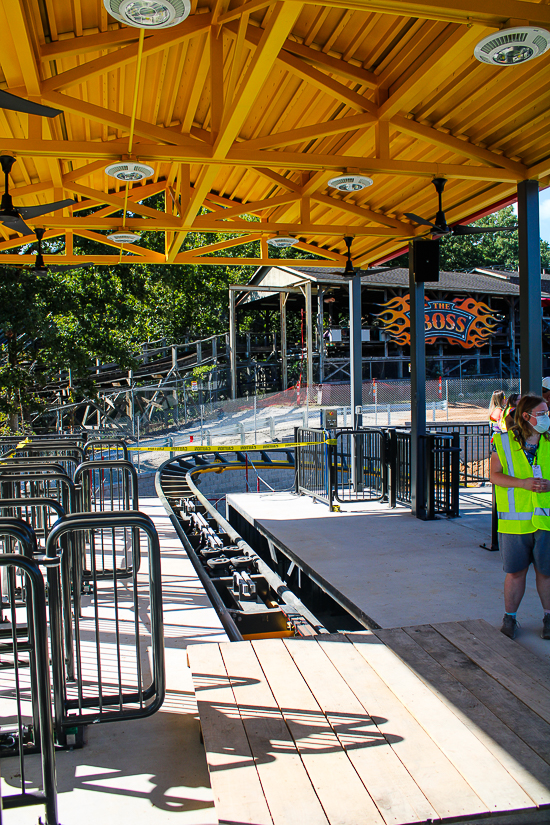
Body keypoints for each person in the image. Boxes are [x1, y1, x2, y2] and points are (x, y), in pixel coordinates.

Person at [490, 394, 550, 640]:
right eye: (542, 413)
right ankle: (510, 619)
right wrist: (523, 483)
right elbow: (495, 476)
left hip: (545, 521)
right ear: (526, 416)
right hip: (514, 523)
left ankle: (548, 617)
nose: (547, 417)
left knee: (546, 572)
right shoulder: (501, 442)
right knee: (515, 573)